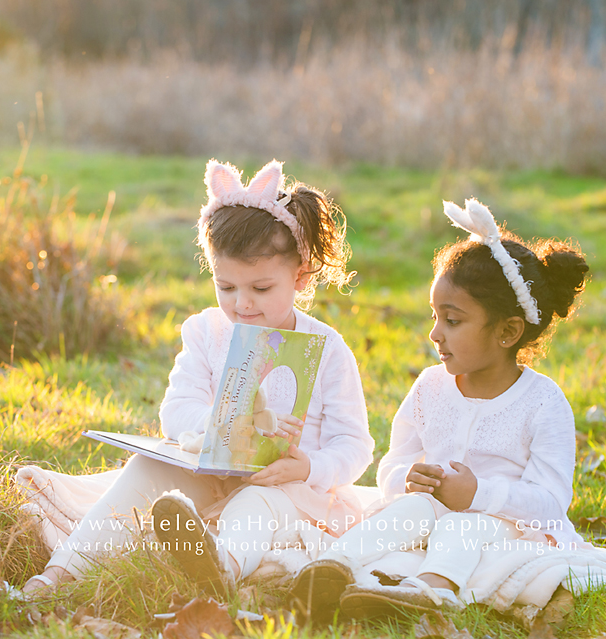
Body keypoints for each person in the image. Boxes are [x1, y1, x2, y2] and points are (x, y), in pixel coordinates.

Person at [23, 159, 374, 594]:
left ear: (300, 277)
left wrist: (308, 466)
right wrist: (219, 427)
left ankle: (217, 566)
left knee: (255, 503)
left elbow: (355, 445)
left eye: (260, 289)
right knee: (143, 470)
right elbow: (177, 409)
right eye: (226, 287)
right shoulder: (208, 331)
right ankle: (61, 573)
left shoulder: (328, 349)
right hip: (211, 472)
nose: (242, 304)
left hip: (288, 490)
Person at [290, 198, 590, 616]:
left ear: (507, 332)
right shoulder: (431, 386)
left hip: (506, 526)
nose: (435, 333)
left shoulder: (542, 403)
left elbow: (550, 501)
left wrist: (478, 494)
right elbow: (394, 465)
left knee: (463, 523)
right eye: (434, 316)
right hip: (430, 509)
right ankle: (333, 567)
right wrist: (406, 480)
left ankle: (432, 590)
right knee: (412, 509)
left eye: (452, 320)